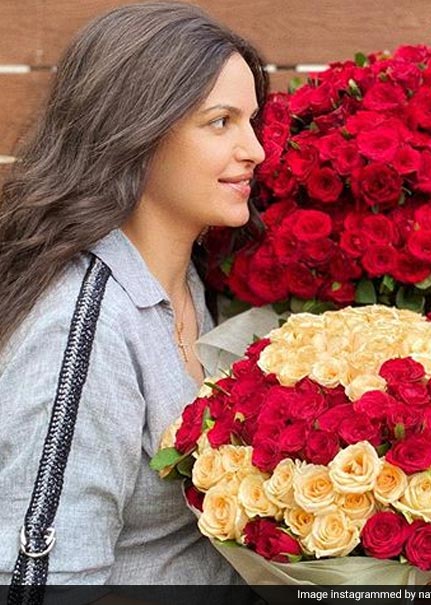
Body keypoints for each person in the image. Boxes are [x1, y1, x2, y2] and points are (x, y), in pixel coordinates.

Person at [0, 2, 266, 584]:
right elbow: (42, 586)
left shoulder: (197, 282)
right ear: (137, 129)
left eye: (251, 121)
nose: (255, 150)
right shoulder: (82, 332)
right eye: (220, 121)